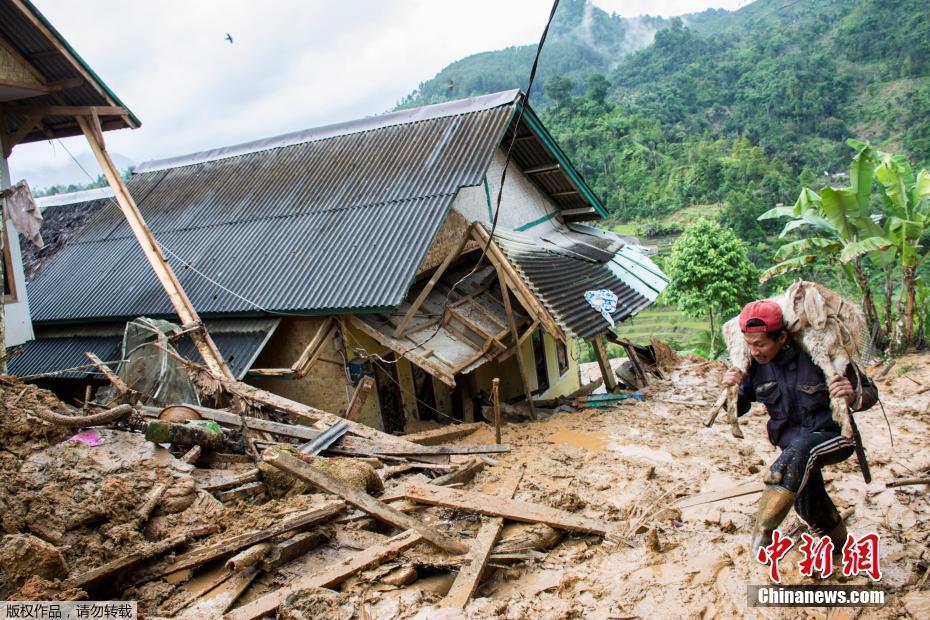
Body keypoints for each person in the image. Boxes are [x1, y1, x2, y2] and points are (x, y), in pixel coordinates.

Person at [721, 299, 877, 559]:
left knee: (798, 454)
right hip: (793, 453)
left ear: (781, 337)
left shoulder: (822, 355)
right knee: (808, 505)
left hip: (834, 437)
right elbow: (738, 407)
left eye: (760, 344)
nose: (755, 351)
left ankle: (763, 533)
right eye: (750, 344)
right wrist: (730, 388)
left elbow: (870, 391)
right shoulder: (754, 367)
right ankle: (840, 547)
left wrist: (851, 396)